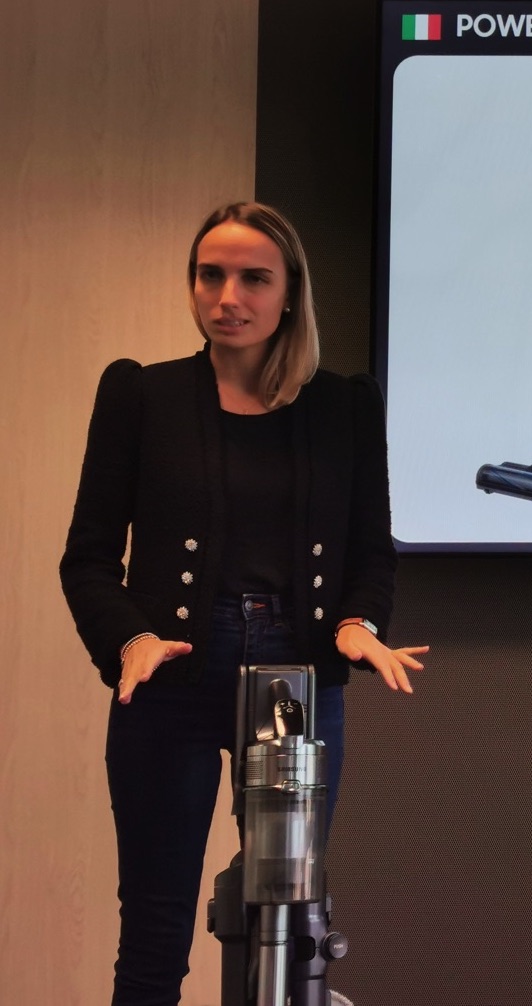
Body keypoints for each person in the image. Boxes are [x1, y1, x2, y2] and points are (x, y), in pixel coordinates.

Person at [60, 201, 428, 1006]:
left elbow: (373, 551)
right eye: (211, 275)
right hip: (171, 678)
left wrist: (359, 625)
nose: (228, 297)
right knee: (154, 932)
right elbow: (87, 559)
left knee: (286, 931)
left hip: (295, 684)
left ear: (289, 291)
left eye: (253, 278)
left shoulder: (344, 406)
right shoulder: (140, 395)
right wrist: (129, 640)